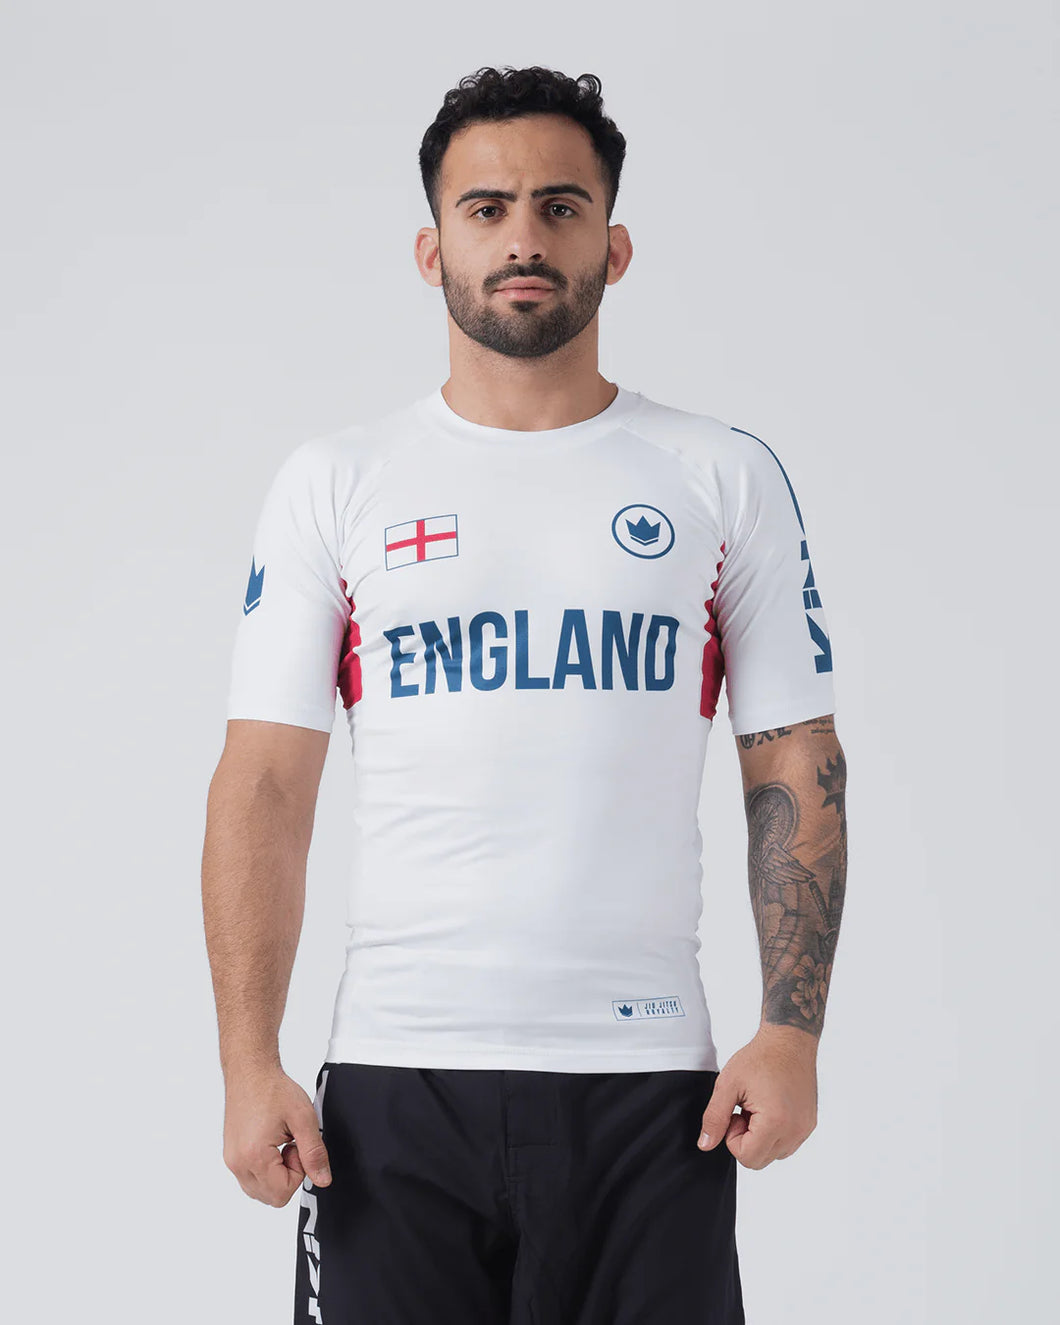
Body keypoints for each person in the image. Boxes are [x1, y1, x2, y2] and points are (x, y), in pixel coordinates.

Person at [201, 64, 848, 1325]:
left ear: (613, 244)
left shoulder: (718, 473)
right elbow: (265, 780)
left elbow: (793, 756)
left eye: (560, 206)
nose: (522, 239)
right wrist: (246, 1060)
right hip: (395, 1085)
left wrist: (791, 1031)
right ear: (431, 248)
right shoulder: (338, 480)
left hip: (649, 1088)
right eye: (486, 208)